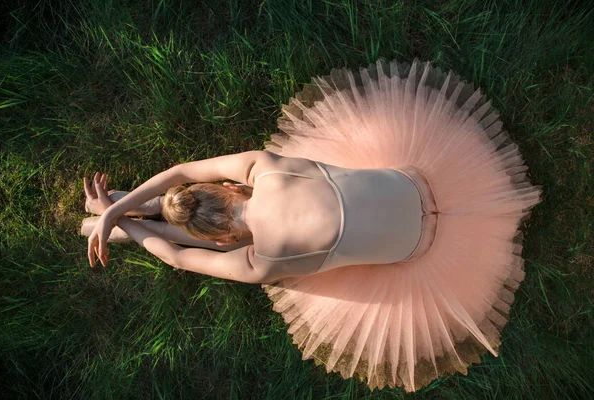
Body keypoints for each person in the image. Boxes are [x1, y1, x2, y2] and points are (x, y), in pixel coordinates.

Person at [82, 59, 543, 392]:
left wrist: (124, 225)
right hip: (423, 184)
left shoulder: (262, 262)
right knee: (180, 204)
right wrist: (111, 213)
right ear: (229, 186)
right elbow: (183, 172)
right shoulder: (263, 167)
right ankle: (123, 210)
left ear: (224, 241)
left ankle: (125, 220)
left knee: (177, 233)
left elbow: (180, 256)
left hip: (419, 246)